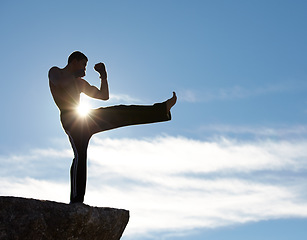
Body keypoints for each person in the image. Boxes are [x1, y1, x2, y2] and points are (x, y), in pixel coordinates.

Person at [49, 51, 177, 203]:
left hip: (84, 117)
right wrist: (76, 78)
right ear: (74, 61)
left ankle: (161, 110)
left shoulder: (79, 83)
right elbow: (60, 82)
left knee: (120, 112)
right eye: (83, 65)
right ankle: (76, 201)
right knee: (80, 155)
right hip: (70, 119)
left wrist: (103, 76)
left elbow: (104, 96)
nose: (85, 70)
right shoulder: (56, 71)